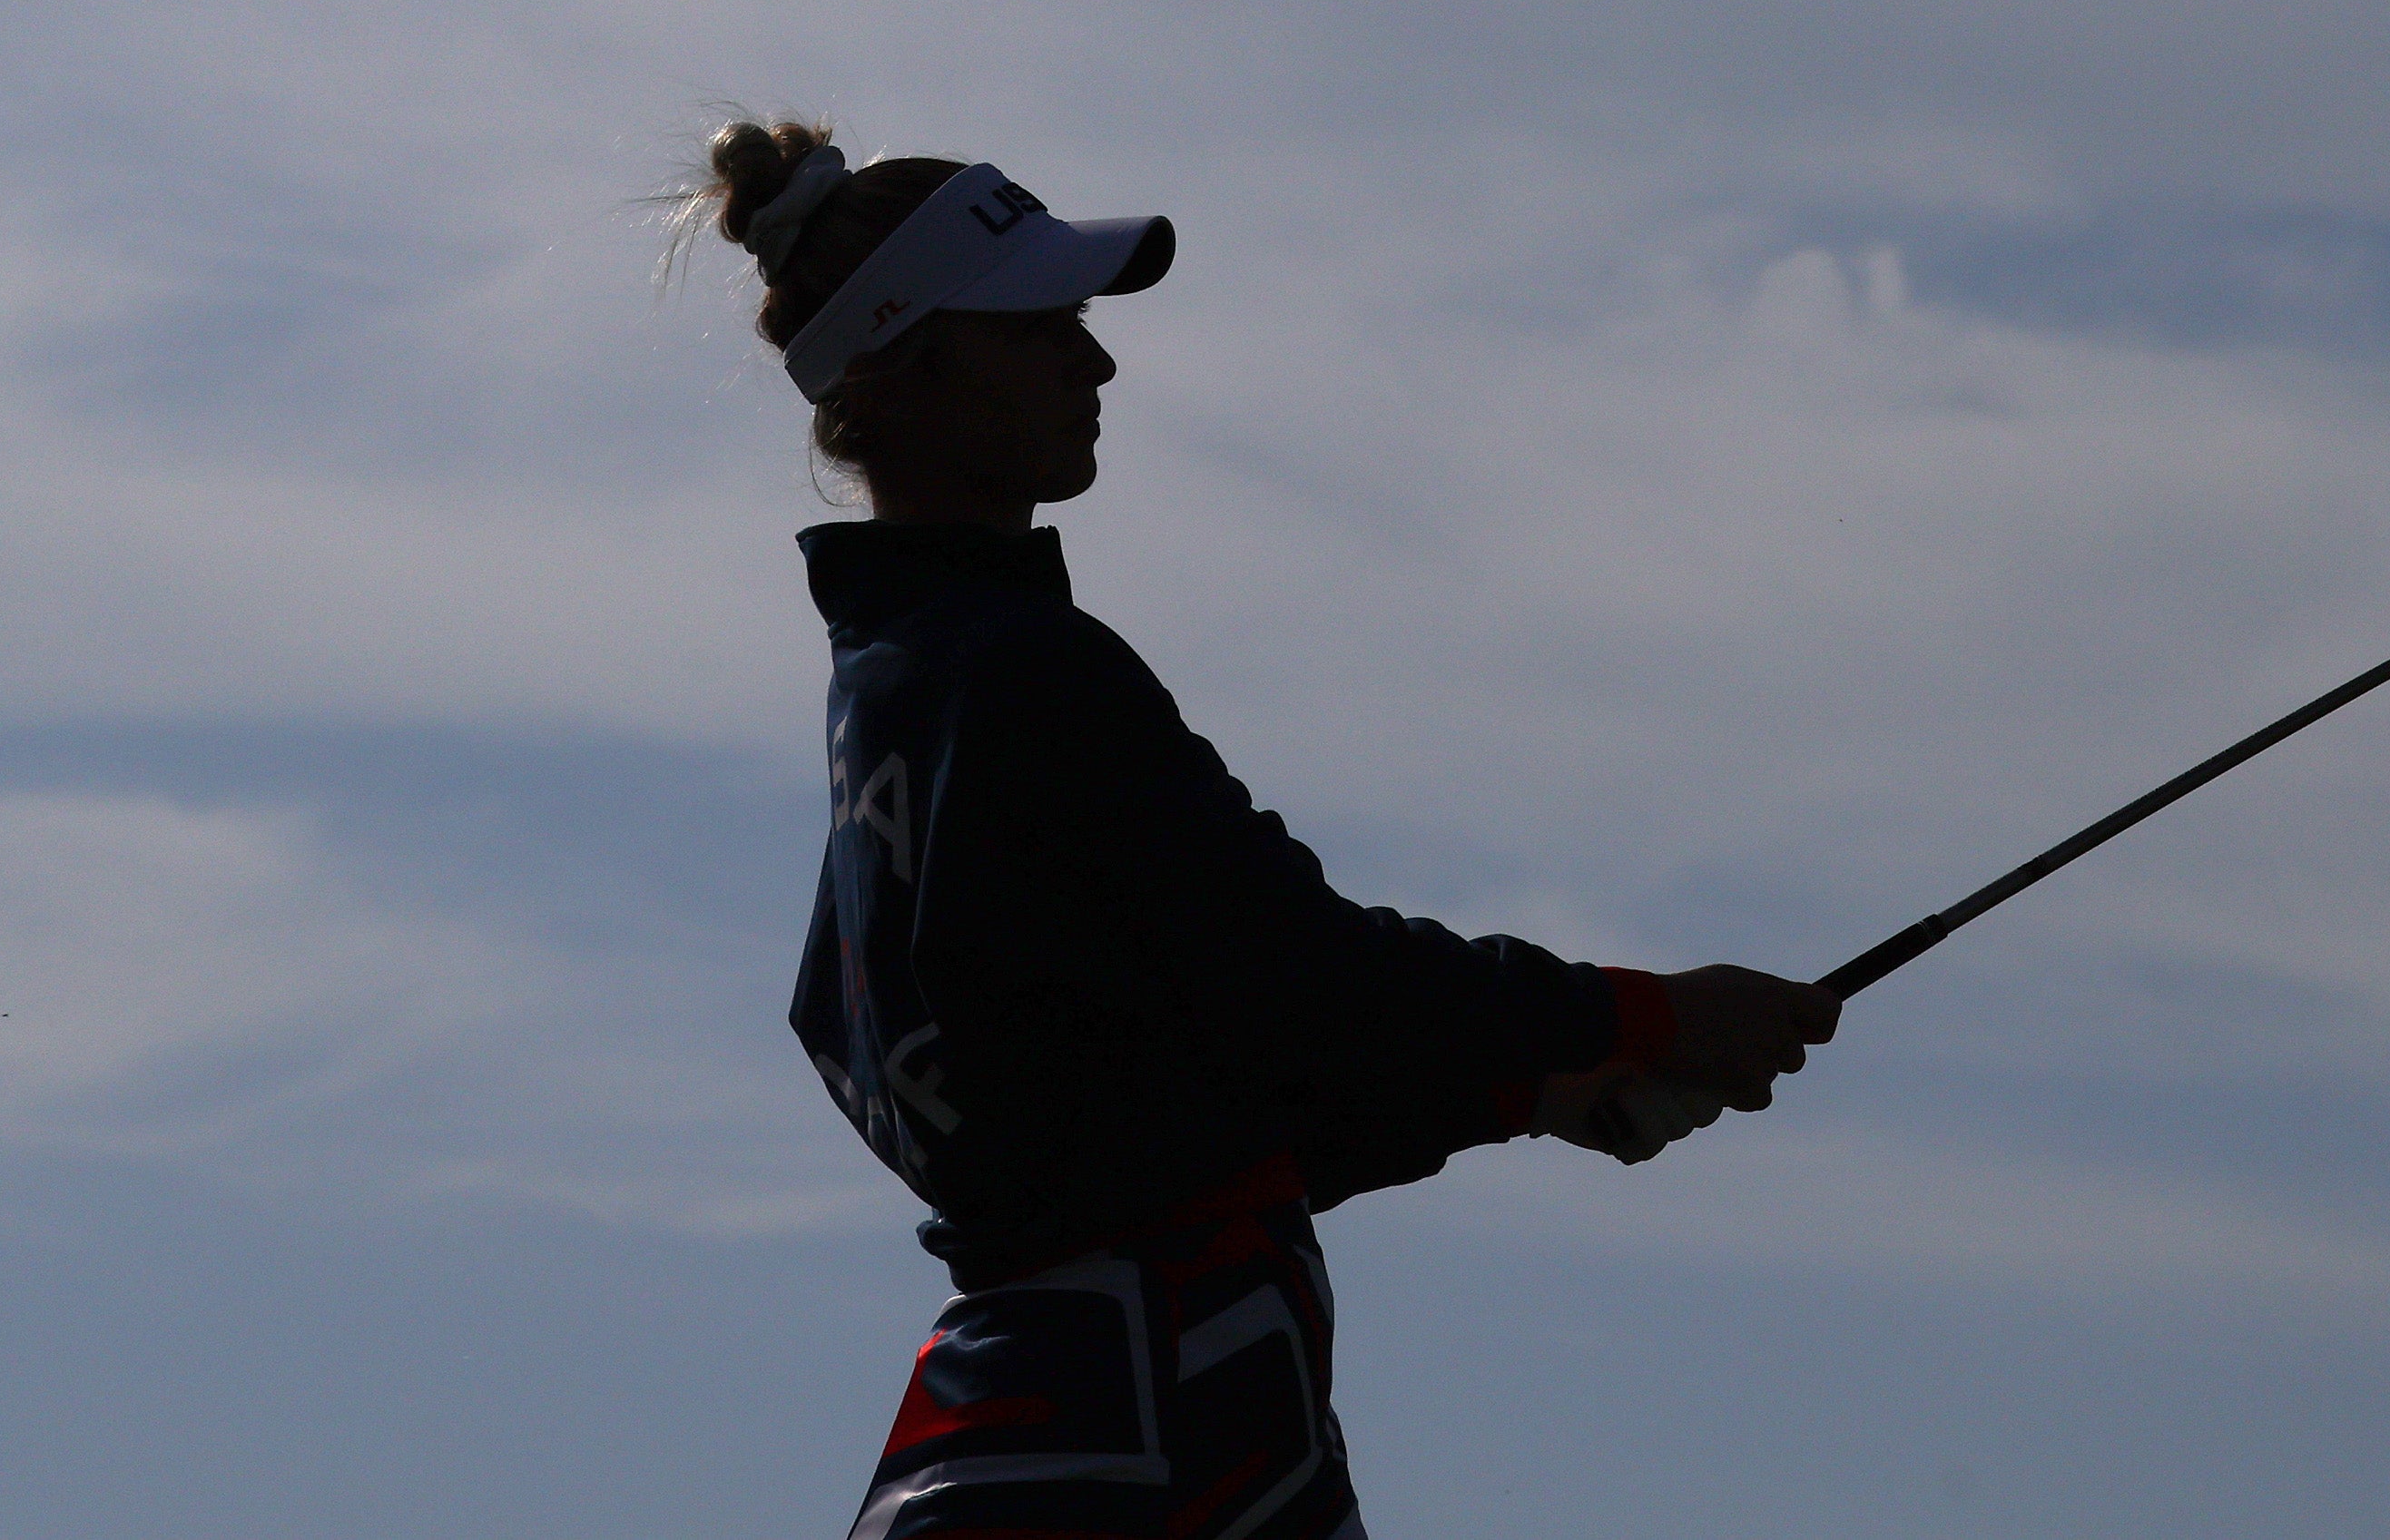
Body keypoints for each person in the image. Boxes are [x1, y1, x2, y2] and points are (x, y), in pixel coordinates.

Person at [689, 119, 1836, 1540]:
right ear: (902, 364)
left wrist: (1528, 1088)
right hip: (1167, 1435)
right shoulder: (1017, 672)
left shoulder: (896, 694)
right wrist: (1635, 1014)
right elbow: (1295, 975)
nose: (1092, 362)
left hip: (1034, 1422)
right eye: (1037, 327)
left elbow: (1163, 1082)